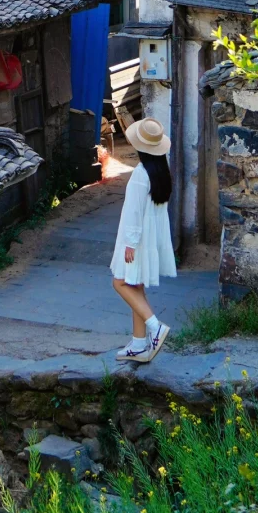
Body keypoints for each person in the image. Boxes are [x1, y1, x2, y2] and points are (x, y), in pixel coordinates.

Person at [110, 116, 177, 363]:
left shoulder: (141, 173)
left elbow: (134, 211)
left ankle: (155, 327)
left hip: (136, 238)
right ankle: (138, 344)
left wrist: (130, 242)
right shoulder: (160, 172)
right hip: (148, 237)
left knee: (119, 283)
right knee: (135, 285)